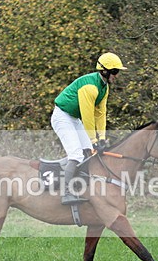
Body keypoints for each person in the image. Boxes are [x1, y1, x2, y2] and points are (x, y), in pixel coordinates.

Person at [51, 52, 127, 205]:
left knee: (88, 153)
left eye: (117, 72)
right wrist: (93, 139)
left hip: (74, 118)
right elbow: (88, 117)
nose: (116, 75)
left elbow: (100, 114)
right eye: (114, 72)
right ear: (104, 71)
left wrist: (102, 138)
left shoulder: (104, 87)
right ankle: (65, 192)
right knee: (77, 154)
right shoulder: (90, 87)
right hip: (62, 116)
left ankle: (81, 185)